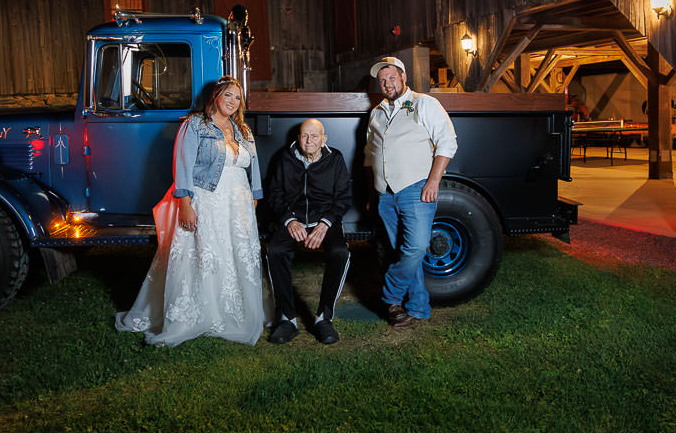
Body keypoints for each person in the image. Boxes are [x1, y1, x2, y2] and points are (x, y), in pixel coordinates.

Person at [116, 76, 265, 346]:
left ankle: (235, 311)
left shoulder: (243, 130)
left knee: (236, 255)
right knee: (206, 256)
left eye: (237, 97)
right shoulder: (195, 125)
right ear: (216, 97)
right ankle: (201, 314)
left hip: (238, 205)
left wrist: (254, 199)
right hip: (208, 201)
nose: (233, 102)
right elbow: (182, 166)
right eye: (228, 95)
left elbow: (253, 168)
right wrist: (185, 204)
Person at [364, 56, 458, 328]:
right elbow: (369, 154)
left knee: (416, 248)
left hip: (416, 188)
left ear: (404, 77)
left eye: (391, 77)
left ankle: (390, 295)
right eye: (382, 80)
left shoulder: (425, 103)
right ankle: (418, 307)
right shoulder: (377, 112)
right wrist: (371, 194)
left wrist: (433, 182)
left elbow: (447, 142)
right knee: (405, 252)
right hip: (385, 194)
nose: (386, 83)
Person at [265, 119, 352, 345]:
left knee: (340, 253)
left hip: (324, 220)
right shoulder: (285, 158)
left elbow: (343, 198)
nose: (309, 140)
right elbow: (274, 193)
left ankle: (324, 318)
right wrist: (289, 221)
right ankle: (287, 319)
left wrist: (324, 224)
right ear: (298, 138)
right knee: (274, 250)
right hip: (293, 219)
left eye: (315, 136)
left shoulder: (336, 159)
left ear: (324, 140)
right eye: (305, 135)